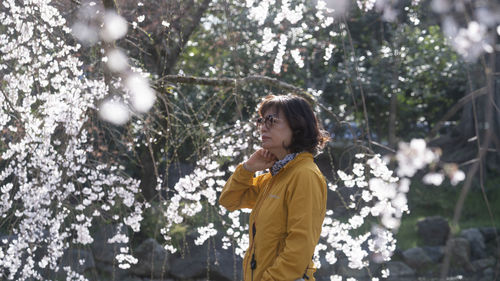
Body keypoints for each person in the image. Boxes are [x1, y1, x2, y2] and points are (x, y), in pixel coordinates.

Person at [219, 94, 330, 281]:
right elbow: (229, 200)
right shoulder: (274, 177)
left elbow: (300, 245)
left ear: (297, 126)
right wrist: (247, 169)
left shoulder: (304, 175)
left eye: (271, 120)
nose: (263, 127)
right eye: (261, 121)